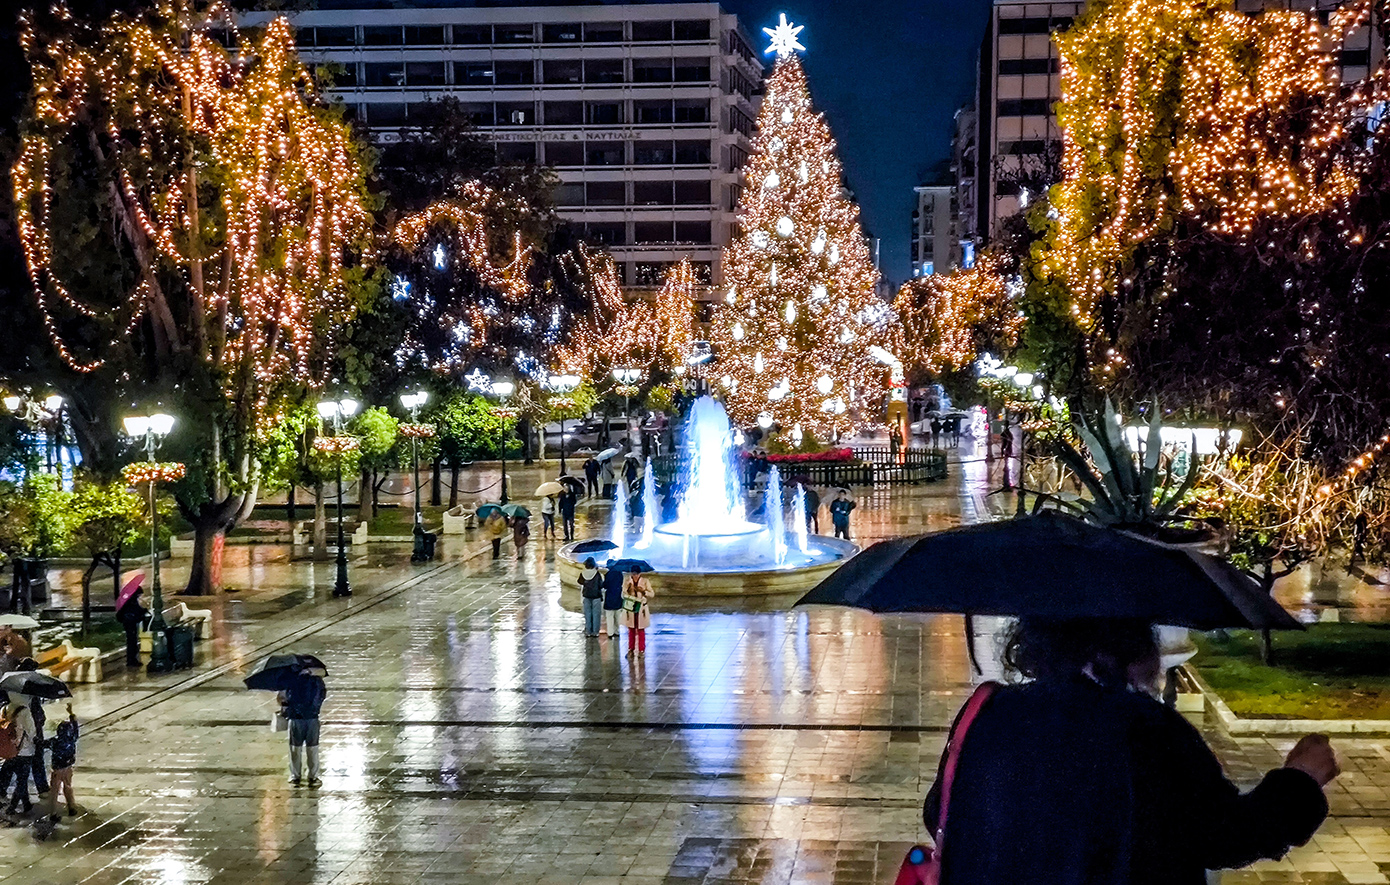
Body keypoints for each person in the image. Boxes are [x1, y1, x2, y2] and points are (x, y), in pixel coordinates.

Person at [923, 618, 1337, 885]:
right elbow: (1225, 835)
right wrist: (1301, 780)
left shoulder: (989, 713)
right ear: (1127, 645)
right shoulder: (1147, 730)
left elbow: (938, 813)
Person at [277, 668, 326, 787]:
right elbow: (322, 696)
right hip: (312, 718)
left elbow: (281, 699)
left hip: (295, 718)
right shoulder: (317, 681)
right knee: (312, 748)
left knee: (295, 748)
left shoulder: (289, 681)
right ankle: (313, 777)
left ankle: (295, 776)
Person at [0, 693, 36, 820]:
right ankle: (13, 806)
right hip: (24, 751)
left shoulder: (4, 709)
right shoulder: (25, 712)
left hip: (10, 751)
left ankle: (26, 804)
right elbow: (32, 733)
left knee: (18, 777)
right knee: (22, 779)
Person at [46, 703, 78, 819]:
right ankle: (71, 807)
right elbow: (75, 726)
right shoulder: (72, 738)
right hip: (68, 767)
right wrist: (71, 713)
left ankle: (53, 813)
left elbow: (41, 743)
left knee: (54, 791)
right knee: (68, 787)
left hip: (57, 768)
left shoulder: (55, 742)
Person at [621, 565, 653, 659]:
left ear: (639, 574)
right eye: (633, 574)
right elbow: (623, 594)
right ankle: (631, 649)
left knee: (641, 629)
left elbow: (652, 593)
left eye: (636, 574)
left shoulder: (645, 581)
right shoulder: (627, 581)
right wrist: (627, 590)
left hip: (641, 608)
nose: (634, 576)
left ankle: (641, 650)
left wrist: (644, 592)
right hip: (631, 607)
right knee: (631, 629)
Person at [116, 585, 148, 668]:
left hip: (128, 622)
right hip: (130, 622)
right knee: (132, 641)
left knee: (131, 641)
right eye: (139, 595)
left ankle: (132, 659)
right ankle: (131, 660)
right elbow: (136, 612)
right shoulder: (132, 602)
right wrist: (144, 611)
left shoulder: (129, 601)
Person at [579, 557, 603, 637]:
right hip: (596, 596)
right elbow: (601, 585)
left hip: (586, 595)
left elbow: (579, 581)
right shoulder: (597, 573)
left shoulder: (583, 573)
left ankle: (588, 631)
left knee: (587, 614)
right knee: (596, 614)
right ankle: (595, 632)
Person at [601, 564, 626, 640]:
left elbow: (605, 585)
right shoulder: (620, 574)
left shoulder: (608, 574)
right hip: (618, 597)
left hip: (609, 597)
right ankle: (617, 631)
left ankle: (610, 633)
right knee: (617, 616)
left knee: (609, 616)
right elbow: (621, 584)